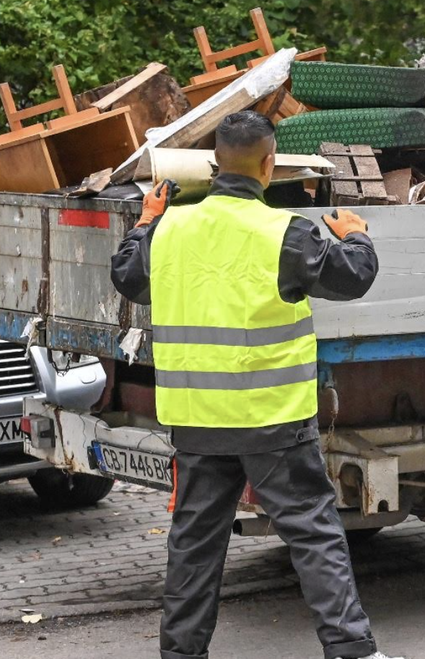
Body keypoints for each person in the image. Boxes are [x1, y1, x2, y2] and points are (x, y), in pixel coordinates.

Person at [110, 111, 401, 659]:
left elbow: (127, 277)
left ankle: (181, 654)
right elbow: (352, 278)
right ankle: (351, 651)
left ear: (214, 164)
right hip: (273, 420)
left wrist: (146, 223)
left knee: (194, 543)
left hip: (197, 419)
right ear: (269, 165)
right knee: (312, 534)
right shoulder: (285, 233)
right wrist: (357, 236)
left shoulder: (171, 229)